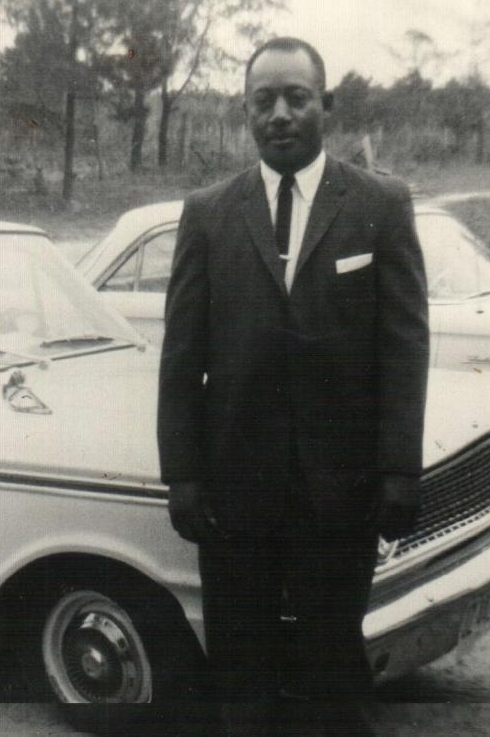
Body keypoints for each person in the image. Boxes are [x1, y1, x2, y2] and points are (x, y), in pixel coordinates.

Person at [157, 37, 430, 736]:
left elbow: (404, 348)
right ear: (246, 112)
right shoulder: (208, 212)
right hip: (234, 490)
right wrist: (182, 476)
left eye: (296, 97)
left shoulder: (380, 204)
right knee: (239, 666)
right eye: (264, 100)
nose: (280, 113)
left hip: (341, 488)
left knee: (333, 664)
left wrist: (399, 469)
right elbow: (181, 358)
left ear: (325, 106)